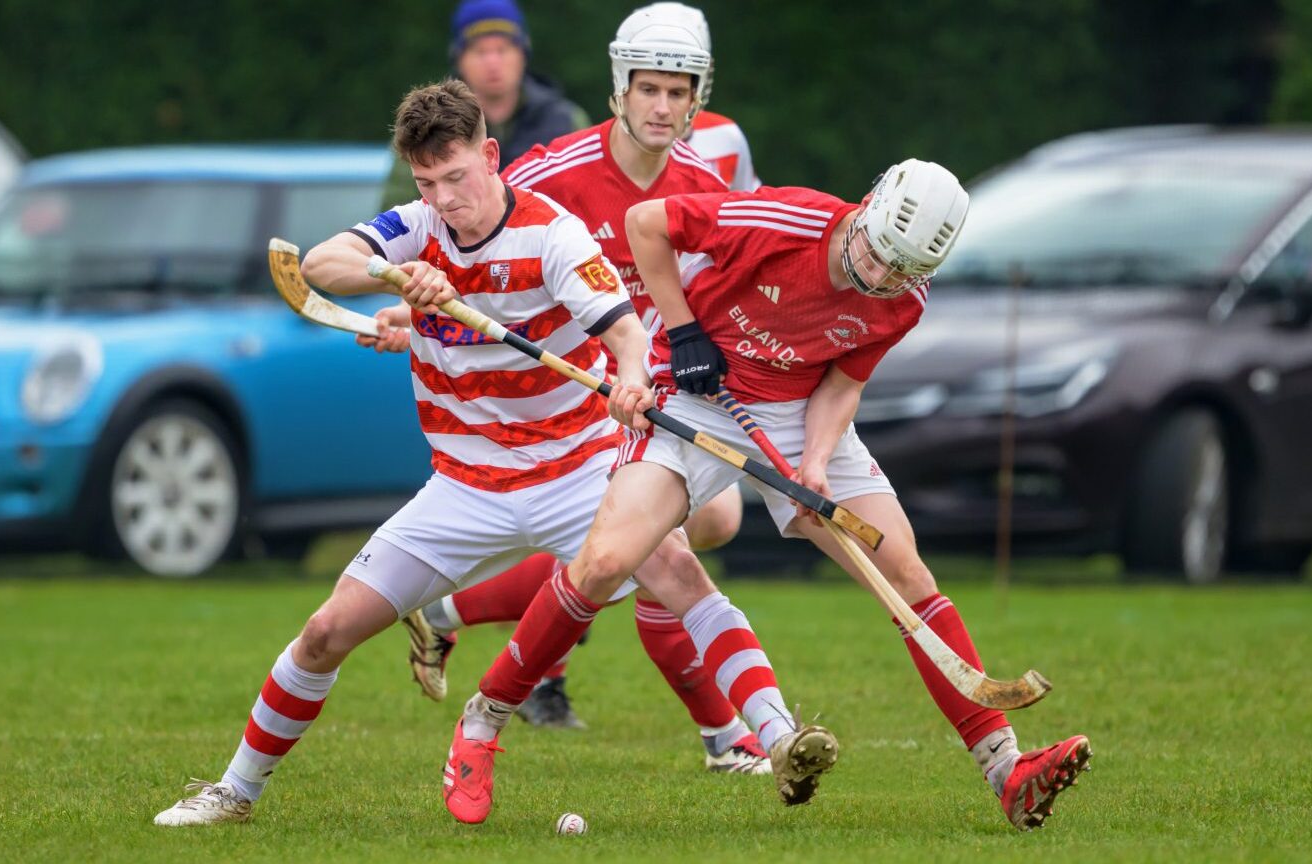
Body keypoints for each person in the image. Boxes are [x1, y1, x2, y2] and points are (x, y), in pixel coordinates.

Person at [153, 79, 833, 828]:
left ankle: (778, 737)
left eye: (457, 178)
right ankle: (234, 792)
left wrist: (632, 382)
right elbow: (318, 263)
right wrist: (396, 278)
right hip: (463, 485)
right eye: (428, 183)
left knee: (679, 574)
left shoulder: (554, 235)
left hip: (579, 469)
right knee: (324, 633)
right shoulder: (416, 229)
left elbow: (626, 335)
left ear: (490, 155)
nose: (446, 200)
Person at [460, 159, 1094, 832]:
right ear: (867, 208)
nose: (879, 277)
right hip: (695, 391)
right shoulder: (782, 221)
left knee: (905, 569)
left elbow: (842, 386)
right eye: (876, 255)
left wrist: (815, 464)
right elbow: (644, 225)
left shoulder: (903, 299)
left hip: (798, 415)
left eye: (900, 270)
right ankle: (485, 717)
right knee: (607, 563)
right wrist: (684, 331)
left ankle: (1007, 772)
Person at [391, 3, 769, 772]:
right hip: (575, 397)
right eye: (649, 89)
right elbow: (473, 244)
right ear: (620, 88)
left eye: (679, 90)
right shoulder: (547, 169)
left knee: (699, 528)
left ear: (699, 94)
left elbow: (726, 287)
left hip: (656, 387)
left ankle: (451, 609)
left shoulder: (710, 177)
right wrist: (410, 308)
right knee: (658, 548)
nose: (663, 106)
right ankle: (727, 737)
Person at [379, 0, 589, 209]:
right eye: (480, 51)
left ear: (523, 54)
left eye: (502, 49)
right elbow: (398, 218)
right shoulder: (425, 125)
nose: (492, 62)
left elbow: (589, 204)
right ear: (459, 58)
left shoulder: (567, 121)